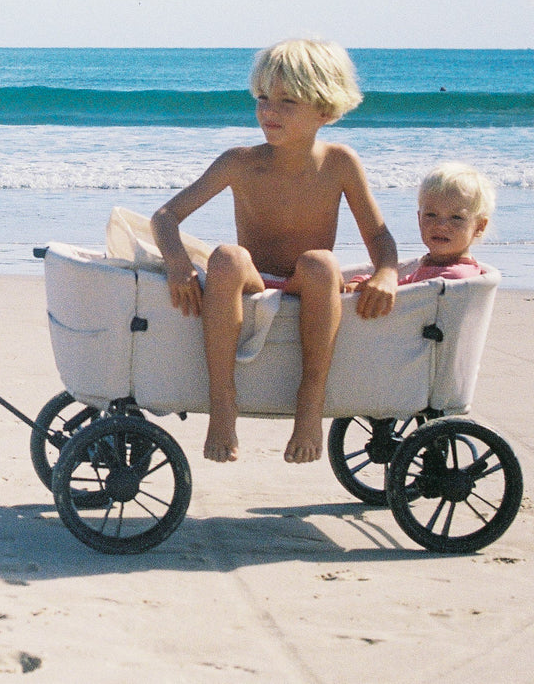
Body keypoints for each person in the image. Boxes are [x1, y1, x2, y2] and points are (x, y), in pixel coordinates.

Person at [151, 39, 399, 465]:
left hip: (308, 282)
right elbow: (165, 216)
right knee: (227, 256)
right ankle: (222, 401)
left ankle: (310, 401)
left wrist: (386, 273)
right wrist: (177, 265)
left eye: (287, 102)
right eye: (263, 99)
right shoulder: (240, 161)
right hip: (254, 277)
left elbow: (378, 235)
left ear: (325, 109)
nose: (269, 111)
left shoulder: (340, 162)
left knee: (321, 261)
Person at [348, 163, 493, 289]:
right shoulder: (431, 265)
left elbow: (400, 293)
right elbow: (400, 283)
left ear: (479, 227)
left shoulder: (453, 278)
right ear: (419, 219)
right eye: (431, 215)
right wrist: (365, 281)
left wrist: (363, 285)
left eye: (456, 217)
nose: (441, 225)